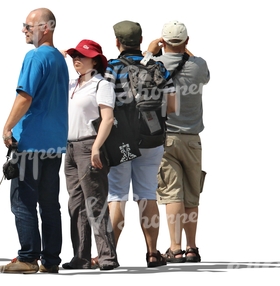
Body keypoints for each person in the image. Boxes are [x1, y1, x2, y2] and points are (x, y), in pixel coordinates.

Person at [0, 8, 69, 274]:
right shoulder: (59, 59)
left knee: (23, 200)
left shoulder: (35, 56)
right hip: (55, 141)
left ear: (45, 27)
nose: (24, 30)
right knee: (50, 203)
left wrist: (7, 127)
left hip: (32, 142)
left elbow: (24, 96)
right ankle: (50, 260)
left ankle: (28, 257)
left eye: (28, 25)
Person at [104, 20, 175, 267]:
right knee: (147, 195)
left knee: (117, 195)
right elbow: (173, 106)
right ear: (141, 40)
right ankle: (153, 253)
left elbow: (103, 106)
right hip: (152, 137)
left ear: (117, 42)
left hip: (121, 139)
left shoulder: (111, 68)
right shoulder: (157, 67)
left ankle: (109, 255)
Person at [146, 20, 210, 263]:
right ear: (187, 41)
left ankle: (175, 248)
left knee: (173, 194)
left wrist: (150, 52)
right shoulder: (198, 65)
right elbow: (202, 72)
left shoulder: (154, 65)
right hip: (193, 139)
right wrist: (186, 52)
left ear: (163, 41)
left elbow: (137, 74)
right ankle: (192, 248)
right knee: (192, 195)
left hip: (166, 138)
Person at [60, 39, 119, 271]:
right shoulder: (72, 83)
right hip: (70, 148)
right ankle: (81, 257)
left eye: (82, 56)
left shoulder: (101, 85)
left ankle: (107, 258)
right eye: (75, 55)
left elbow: (108, 118)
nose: (77, 59)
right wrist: (60, 53)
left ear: (95, 60)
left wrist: (96, 147)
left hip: (89, 146)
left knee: (95, 203)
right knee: (75, 205)